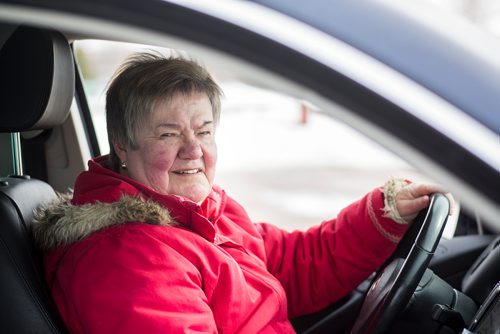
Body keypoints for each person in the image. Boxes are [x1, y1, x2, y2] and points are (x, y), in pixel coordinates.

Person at [33, 52, 452, 333]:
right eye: (169, 134)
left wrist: (383, 212)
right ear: (123, 146)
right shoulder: (126, 257)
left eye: (203, 131)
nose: (193, 149)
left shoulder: (204, 212)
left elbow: (293, 265)